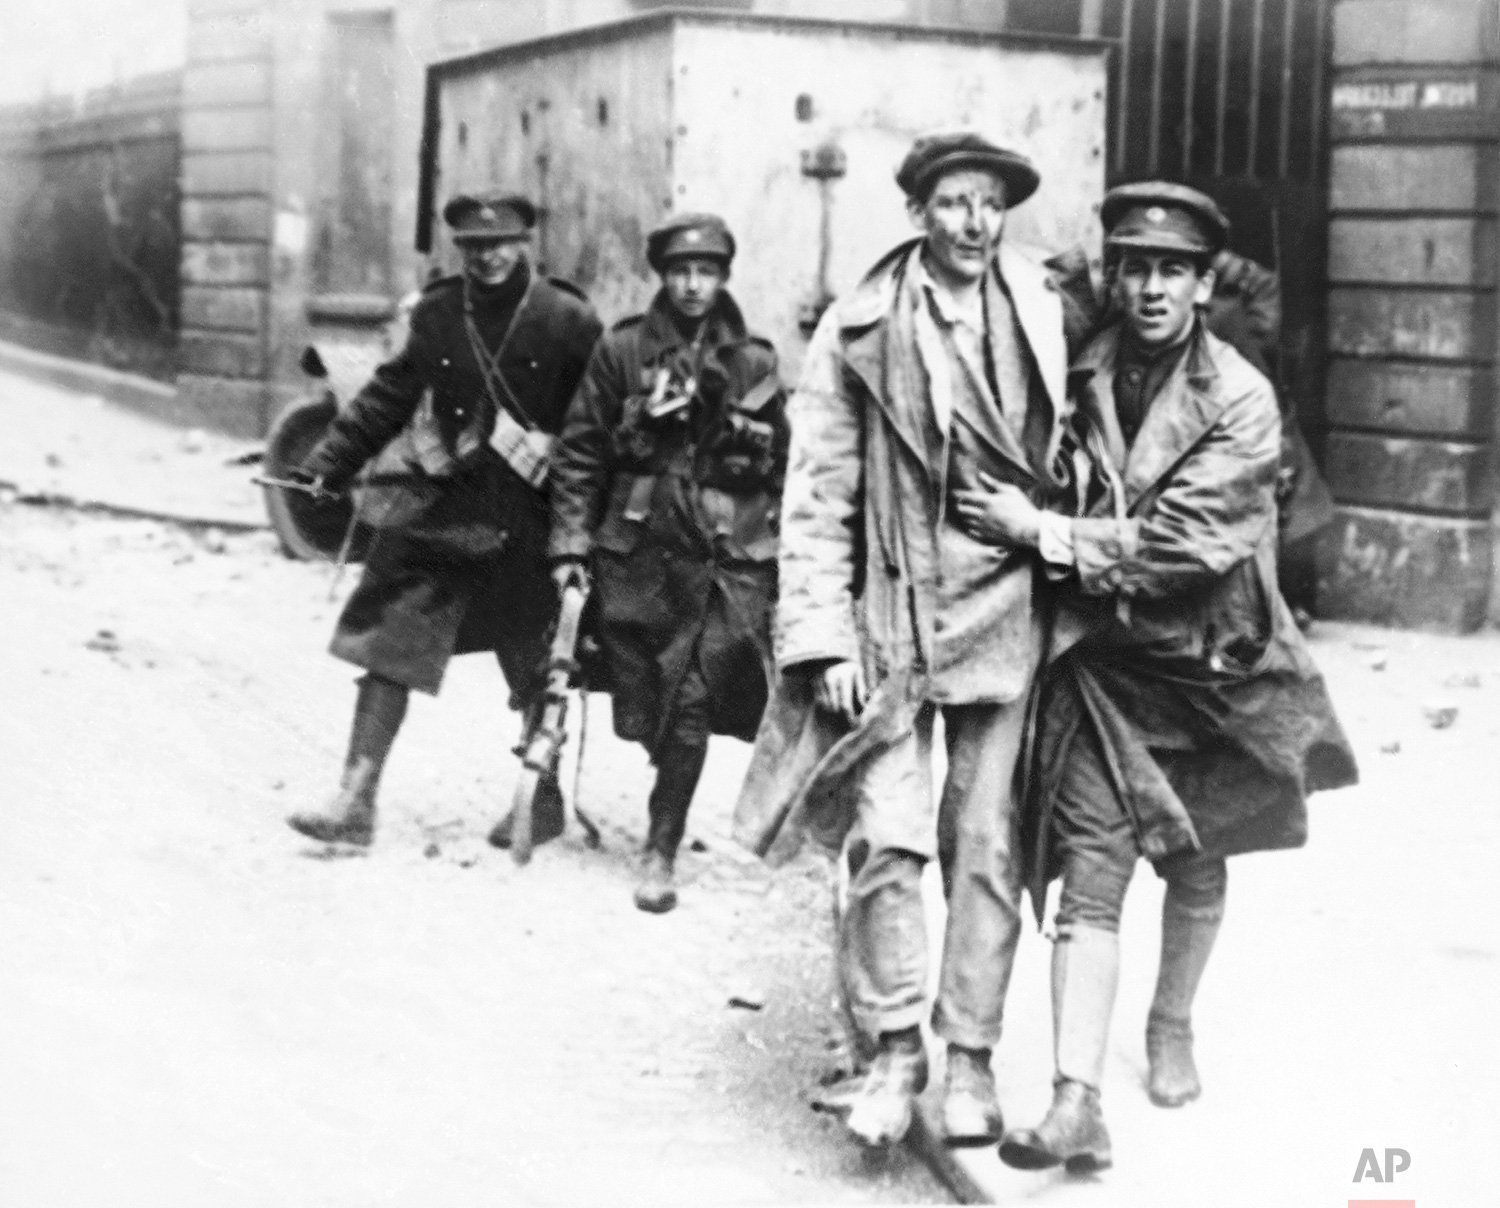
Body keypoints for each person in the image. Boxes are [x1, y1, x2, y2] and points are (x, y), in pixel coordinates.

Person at [972, 182, 1357, 1173]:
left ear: (1202, 282)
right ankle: (1074, 1098)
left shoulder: (1239, 396)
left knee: (1197, 857)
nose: (1149, 288)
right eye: (1133, 266)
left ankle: (1172, 1023)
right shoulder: (1079, 367)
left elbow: (1187, 545)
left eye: (1172, 270)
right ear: (1114, 272)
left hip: (1213, 666)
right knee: (1088, 877)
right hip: (1105, 669)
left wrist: (1045, 531)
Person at [734, 132, 1087, 1150]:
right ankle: (896, 1047)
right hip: (890, 620)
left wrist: (1046, 528)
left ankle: (970, 1053)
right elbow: (814, 500)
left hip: (1002, 615)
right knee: (883, 837)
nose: (974, 222)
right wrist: (822, 638)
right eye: (953, 202)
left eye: (990, 203)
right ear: (920, 211)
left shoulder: (1042, 311)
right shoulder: (860, 325)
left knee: (985, 841)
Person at [285, 192, 602, 847]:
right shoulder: (437, 314)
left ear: (525, 244)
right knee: (388, 633)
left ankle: (540, 799)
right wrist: (328, 463)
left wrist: (579, 525)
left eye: (501, 244)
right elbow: (387, 397)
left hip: (534, 512)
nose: (488, 257)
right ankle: (355, 799)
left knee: (535, 655)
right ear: (460, 249)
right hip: (451, 504)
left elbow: (595, 428)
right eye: (474, 247)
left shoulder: (565, 318)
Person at [547, 213, 787, 914]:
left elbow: (789, 469)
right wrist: (567, 545)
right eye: (681, 271)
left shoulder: (754, 362)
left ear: (723, 277)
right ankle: (656, 777)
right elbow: (580, 453)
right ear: (662, 274)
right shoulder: (622, 351)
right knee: (643, 699)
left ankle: (661, 847)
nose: (692, 284)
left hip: (719, 558)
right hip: (637, 555)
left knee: (691, 703)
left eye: (706, 271)